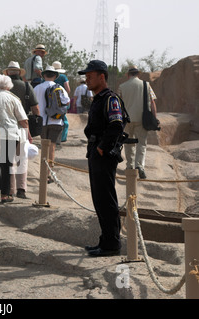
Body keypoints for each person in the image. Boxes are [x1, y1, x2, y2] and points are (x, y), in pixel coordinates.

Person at [79, 60, 125, 257]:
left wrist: (101, 149)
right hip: (96, 152)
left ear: (102, 77)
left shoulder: (110, 98)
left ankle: (111, 245)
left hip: (104, 155)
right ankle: (105, 241)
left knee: (106, 199)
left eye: (90, 76)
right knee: (99, 199)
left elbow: (116, 124)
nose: (87, 79)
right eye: (86, 76)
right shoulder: (98, 98)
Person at [3, 61, 39, 199]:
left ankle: (10, 189)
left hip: (5, 126)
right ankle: (21, 189)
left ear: (7, 73)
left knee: (9, 159)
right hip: (22, 126)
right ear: (19, 72)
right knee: (22, 158)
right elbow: (35, 108)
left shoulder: (2, 89)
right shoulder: (26, 86)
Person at [0, 75, 29, 203]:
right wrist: (28, 134)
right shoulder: (13, 99)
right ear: (9, 85)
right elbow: (23, 120)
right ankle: (5, 194)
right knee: (6, 164)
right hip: (10, 134)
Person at [118, 66, 158, 179]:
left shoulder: (122, 87)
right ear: (138, 74)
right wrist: (154, 119)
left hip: (126, 120)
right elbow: (152, 102)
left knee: (129, 143)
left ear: (128, 75)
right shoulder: (146, 85)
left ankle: (130, 166)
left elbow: (118, 104)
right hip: (142, 119)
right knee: (141, 143)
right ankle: (139, 166)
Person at [34, 65, 70, 183]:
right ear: (55, 76)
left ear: (44, 75)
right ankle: (49, 174)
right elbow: (67, 101)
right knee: (52, 147)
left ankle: (43, 173)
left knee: (44, 147)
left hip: (42, 122)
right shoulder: (59, 87)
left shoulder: (37, 88)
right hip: (56, 121)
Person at [53, 61, 71, 143]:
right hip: (62, 101)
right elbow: (68, 89)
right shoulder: (63, 77)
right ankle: (63, 137)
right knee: (64, 119)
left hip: (52, 101)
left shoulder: (50, 76)